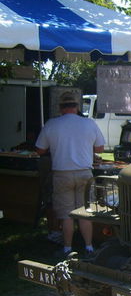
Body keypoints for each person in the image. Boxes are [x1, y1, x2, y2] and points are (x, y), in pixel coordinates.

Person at [35, 92, 105, 257]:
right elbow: (100, 148)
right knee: (84, 212)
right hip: (84, 173)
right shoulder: (89, 123)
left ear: (60, 108)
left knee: (66, 215)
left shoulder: (52, 124)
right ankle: (89, 248)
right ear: (77, 107)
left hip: (62, 174)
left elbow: (40, 150)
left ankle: (67, 249)